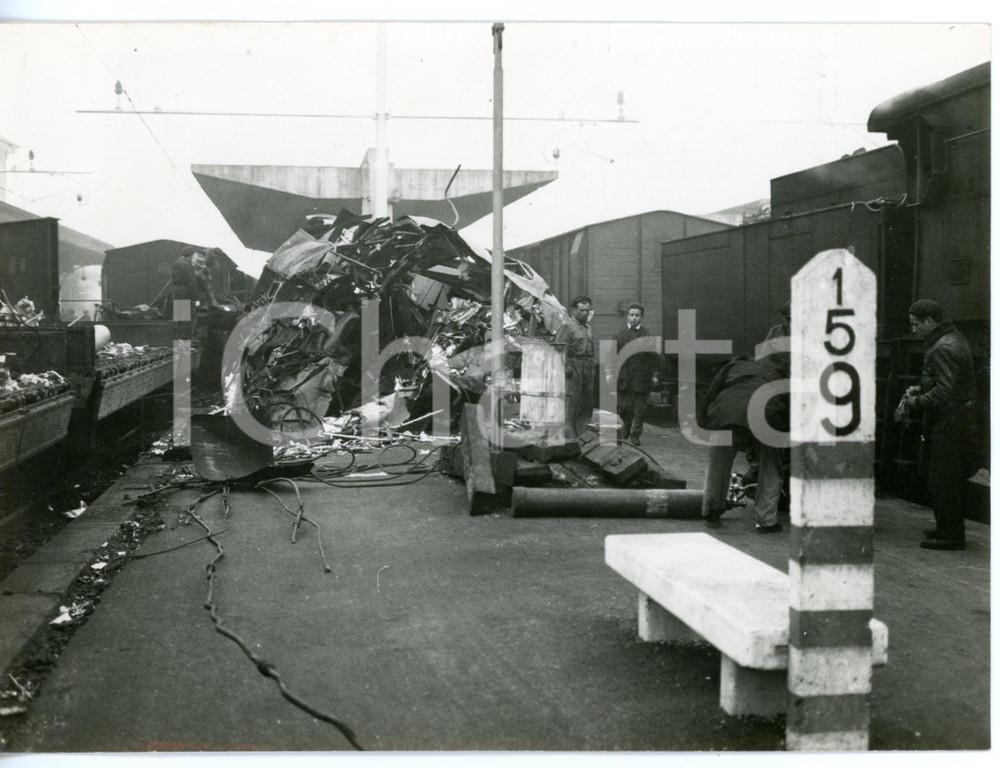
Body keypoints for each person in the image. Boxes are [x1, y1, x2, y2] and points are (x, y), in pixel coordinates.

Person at [900, 299, 977, 551]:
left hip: (951, 422)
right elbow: (943, 382)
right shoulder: (951, 339)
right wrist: (921, 387)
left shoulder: (943, 347)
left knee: (943, 480)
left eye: (916, 324)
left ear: (930, 322)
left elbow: (945, 393)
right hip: (956, 420)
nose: (913, 330)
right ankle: (946, 527)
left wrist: (915, 401)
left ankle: (951, 535)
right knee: (944, 478)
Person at [697, 353, 788, 533]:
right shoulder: (780, 373)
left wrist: (703, 420)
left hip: (726, 413)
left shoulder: (735, 365)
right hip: (765, 416)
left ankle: (712, 514)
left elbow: (711, 391)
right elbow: (787, 408)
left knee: (718, 465)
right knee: (771, 466)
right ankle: (766, 522)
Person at [612, 302, 658, 445]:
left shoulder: (648, 335)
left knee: (640, 409)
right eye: (631, 315)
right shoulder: (619, 335)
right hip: (624, 377)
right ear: (627, 316)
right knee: (624, 407)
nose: (634, 318)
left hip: (641, 376)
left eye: (637, 315)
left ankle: (635, 434)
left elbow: (653, 358)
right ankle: (626, 425)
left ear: (641, 317)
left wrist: (655, 375)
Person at [555, 296, 595, 441]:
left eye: (587, 310)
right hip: (574, 368)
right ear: (575, 310)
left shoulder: (588, 327)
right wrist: (566, 366)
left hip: (587, 368)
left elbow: (591, 349)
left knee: (586, 404)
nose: (584, 313)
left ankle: (583, 436)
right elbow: (558, 349)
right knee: (572, 405)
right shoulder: (567, 326)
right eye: (581, 310)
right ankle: (570, 439)